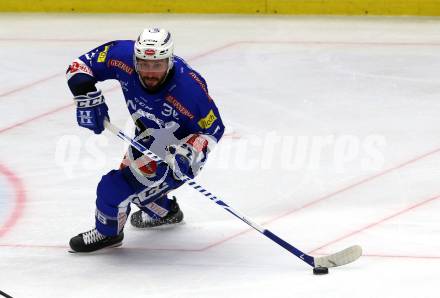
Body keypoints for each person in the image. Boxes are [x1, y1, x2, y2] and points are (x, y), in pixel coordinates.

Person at [66, 28, 225, 253]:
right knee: (140, 192)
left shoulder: (189, 90)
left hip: (176, 152)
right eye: (144, 64)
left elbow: (213, 130)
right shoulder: (122, 56)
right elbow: (79, 66)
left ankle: (107, 233)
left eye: (157, 65)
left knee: (112, 188)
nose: (150, 72)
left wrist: (188, 154)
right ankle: (167, 212)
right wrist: (86, 96)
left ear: (169, 61)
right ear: (135, 59)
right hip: (148, 138)